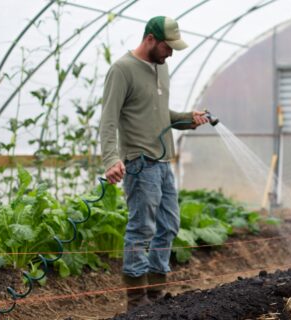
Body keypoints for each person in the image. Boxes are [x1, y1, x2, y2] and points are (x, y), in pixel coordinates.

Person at [99, 16, 209, 311]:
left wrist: (189, 119)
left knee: (169, 225)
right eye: (167, 46)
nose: (171, 52)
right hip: (140, 163)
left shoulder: (162, 68)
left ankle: (157, 295)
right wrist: (111, 159)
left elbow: (161, 115)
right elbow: (108, 119)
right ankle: (136, 301)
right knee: (141, 229)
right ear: (150, 39)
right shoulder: (122, 70)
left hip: (163, 163)